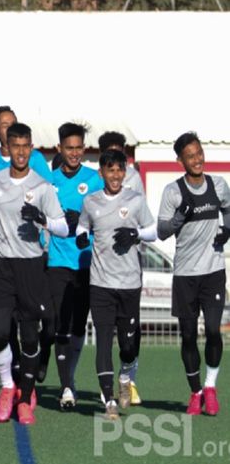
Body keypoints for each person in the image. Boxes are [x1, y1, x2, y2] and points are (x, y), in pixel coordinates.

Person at [0, 122, 68, 425]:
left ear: (31, 148)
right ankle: (7, 387)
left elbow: (63, 227)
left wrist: (43, 219)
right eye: (14, 145)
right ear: (8, 146)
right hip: (2, 265)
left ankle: (26, 397)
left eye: (24, 146)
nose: (19, 151)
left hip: (32, 266)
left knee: (31, 337)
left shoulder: (42, 187)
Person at [76, 149, 156, 420]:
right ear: (102, 173)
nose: (115, 175)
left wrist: (135, 234)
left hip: (130, 283)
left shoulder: (135, 200)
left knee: (128, 344)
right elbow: (82, 226)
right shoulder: (91, 201)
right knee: (102, 342)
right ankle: (108, 401)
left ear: (125, 172)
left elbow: (152, 231)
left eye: (119, 170)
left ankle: (125, 375)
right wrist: (82, 237)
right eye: (110, 170)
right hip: (100, 283)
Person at [157, 132, 230, 416]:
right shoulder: (172, 192)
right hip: (185, 274)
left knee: (213, 330)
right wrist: (179, 218)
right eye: (190, 155)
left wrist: (228, 231)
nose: (197, 159)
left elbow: (228, 209)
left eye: (199, 153)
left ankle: (210, 388)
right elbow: (163, 232)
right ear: (180, 161)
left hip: (213, 270)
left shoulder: (219, 185)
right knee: (188, 336)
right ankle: (195, 392)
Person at [39, 123, 103, 410]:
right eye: (69, 148)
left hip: (87, 262)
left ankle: (70, 377)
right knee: (57, 323)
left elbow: (105, 216)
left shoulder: (95, 180)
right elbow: (40, 217)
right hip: (56, 261)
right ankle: (66, 386)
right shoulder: (48, 182)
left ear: (84, 149)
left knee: (78, 324)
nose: (74, 152)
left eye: (79, 148)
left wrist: (85, 220)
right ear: (59, 149)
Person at [0, 105, 52, 186]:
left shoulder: (35, 157)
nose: (10, 128)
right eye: (5, 125)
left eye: (13, 124)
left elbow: (49, 190)